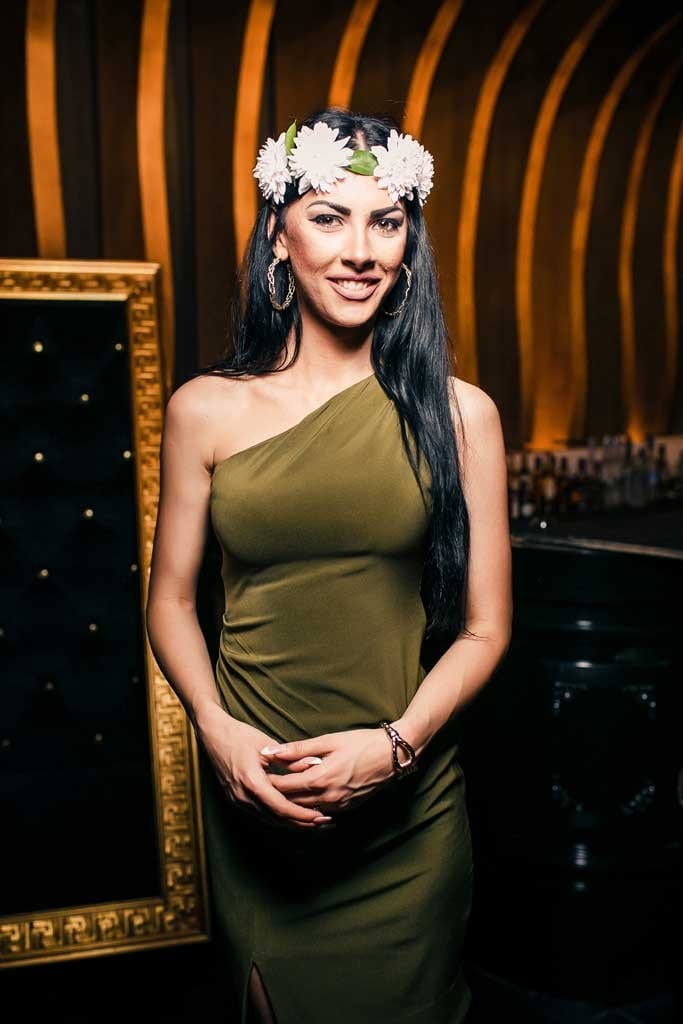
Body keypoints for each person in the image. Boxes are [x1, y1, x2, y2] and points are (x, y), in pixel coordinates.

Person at [146, 106, 512, 1024]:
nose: (359, 251)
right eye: (327, 217)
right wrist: (217, 733)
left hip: (408, 808)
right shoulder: (204, 410)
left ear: (407, 245)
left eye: (384, 222)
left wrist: (395, 748)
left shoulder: (460, 414)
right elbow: (171, 603)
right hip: (257, 803)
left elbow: (485, 629)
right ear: (279, 236)